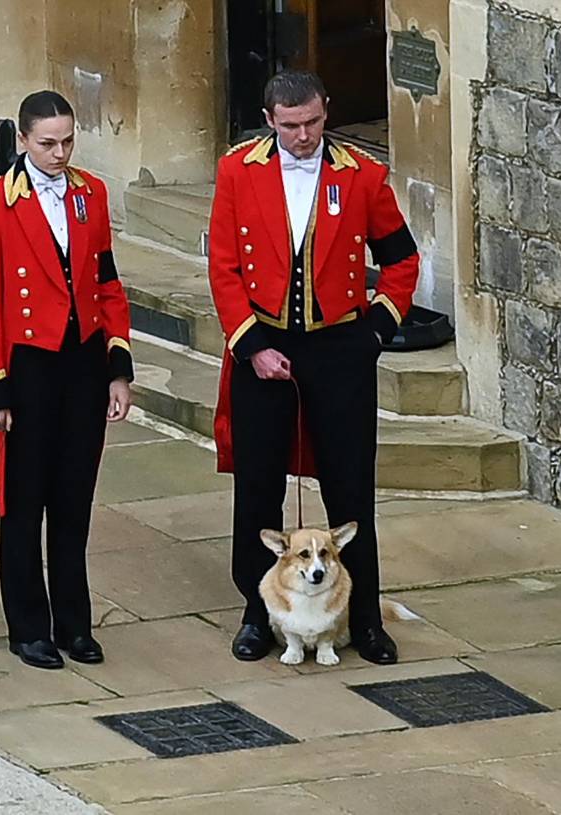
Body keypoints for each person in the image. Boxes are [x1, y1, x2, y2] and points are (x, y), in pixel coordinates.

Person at [208, 70, 420, 665]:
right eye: (291, 125)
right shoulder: (237, 171)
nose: (304, 137)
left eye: (314, 123)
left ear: (326, 111)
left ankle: (367, 619)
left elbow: (402, 258)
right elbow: (223, 267)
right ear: (270, 119)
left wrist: (376, 329)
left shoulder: (362, 175)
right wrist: (250, 345)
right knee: (258, 490)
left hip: (337, 351)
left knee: (351, 492)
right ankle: (258, 614)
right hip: (263, 346)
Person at [0, 91, 134, 670]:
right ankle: (28, 627)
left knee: (73, 501)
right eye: (47, 143)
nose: (60, 154)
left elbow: (107, 281)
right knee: (24, 503)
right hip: (26, 368)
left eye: (67, 141)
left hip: (82, 363)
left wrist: (118, 367)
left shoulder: (92, 194)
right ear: (22, 141)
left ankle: (74, 624)